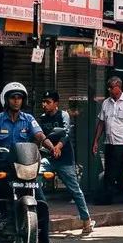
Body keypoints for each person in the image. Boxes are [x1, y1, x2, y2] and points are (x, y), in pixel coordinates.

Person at [0, 82, 58, 243]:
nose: (16, 101)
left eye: (19, 97)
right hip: (3, 167)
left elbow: (40, 136)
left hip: (26, 167)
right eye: (13, 97)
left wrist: (52, 148)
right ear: (6, 99)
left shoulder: (28, 119)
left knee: (42, 203)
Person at [38, 90, 94, 235]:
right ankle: (39, 212)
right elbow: (41, 135)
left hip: (64, 158)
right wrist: (50, 148)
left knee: (75, 190)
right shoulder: (43, 118)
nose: (45, 105)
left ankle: (86, 220)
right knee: (34, 177)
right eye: (43, 102)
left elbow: (66, 133)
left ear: (56, 103)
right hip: (49, 157)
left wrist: (58, 147)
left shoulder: (63, 115)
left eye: (48, 102)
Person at [93, 76, 123, 204]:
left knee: (118, 171)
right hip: (109, 142)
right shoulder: (106, 103)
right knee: (110, 169)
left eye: (111, 87)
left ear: (118, 87)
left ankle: (114, 197)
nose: (109, 90)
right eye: (108, 87)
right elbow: (101, 123)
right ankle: (113, 196)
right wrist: (96, 141)